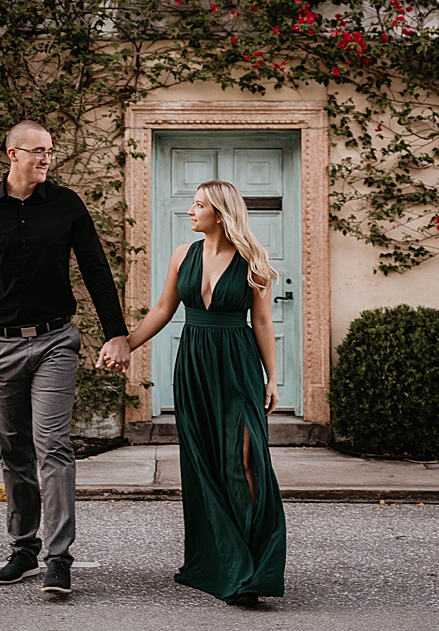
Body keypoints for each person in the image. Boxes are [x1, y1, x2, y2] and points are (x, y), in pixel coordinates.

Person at [0, 120, 133, 596]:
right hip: (0, 347)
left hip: (55, 342)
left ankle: (59, 558)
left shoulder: (66, 205)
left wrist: (116, 334)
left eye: (50, 150)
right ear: (12, 154)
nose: (47, 158)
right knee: (15, 451)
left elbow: (95, 268)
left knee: (52, 446)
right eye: (38, 150)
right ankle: (24, 550)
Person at [104, 179, 285, 605]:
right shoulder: (183, 254)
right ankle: (221, 562)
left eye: (199, 205)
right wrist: (126, 344)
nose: (190, 211)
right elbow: (163, 309)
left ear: (219, 214)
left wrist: (272, 378)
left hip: (238, 366)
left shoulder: (253, 259)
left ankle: (252, 564)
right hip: (194, 367)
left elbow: (261, 322)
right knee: (202, 460)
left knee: (246, 459)